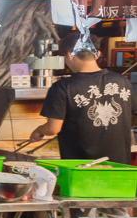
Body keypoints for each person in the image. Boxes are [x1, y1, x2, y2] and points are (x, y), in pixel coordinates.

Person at [29, 32, 134, 164]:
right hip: (120, 166)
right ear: (98, 54)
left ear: (69, 55)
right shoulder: (122, 81)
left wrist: (39, 130)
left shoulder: (62, 87)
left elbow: (53, 128)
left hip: (81, 167)